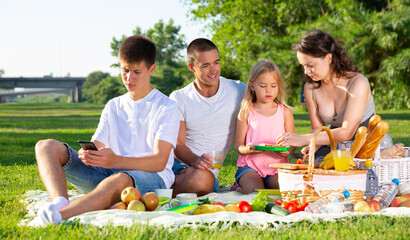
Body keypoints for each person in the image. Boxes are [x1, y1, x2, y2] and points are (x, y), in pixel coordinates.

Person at [32, 35, 180, 225]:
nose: (129, 78)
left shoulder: (166, 107)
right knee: (45, 146)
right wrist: (88, 154)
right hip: (107, 173)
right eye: (125, 70)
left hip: (150, 180)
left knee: (119, 179)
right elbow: (98, 144)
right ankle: (60, 203)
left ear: (151, 69)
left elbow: (159, 162)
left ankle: (61, 217)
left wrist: (115, 160)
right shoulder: (114, 105)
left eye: (137, 72)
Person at [276, 30, 376, 161]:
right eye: (303, 66)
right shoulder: (310, 89)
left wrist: (305, 139)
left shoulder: (358, 84)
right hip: (334, 147)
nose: (306, 72)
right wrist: (313, 148)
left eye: (310, 65)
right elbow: (317, 130)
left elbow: (347, 132)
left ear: (328, 58)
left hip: (367, 149)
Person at [169, 38, 247, 196]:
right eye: (205, 65)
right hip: (179, 165)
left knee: (204, 181)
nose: (213, 70)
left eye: (216, 62)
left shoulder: (238, 90)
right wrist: (195, 160)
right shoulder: (179, 98)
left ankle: (158, 190)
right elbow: (177, 144)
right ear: (192, 67)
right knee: (202, 180)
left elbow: (269, 107)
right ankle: (158, 185)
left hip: (206, 174)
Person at [233, 60, 295, 194]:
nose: (269, 90)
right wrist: (246, 150)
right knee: (254, 191)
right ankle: (239, 186)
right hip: (250, 167)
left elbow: (293, 143)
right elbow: (238, 144)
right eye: (263, 86)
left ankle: (264, 184)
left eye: (273, 86)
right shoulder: (246, 111)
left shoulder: (285, 112)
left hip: (276, 168)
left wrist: (288, 151)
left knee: (286, 190)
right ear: (252, 86)